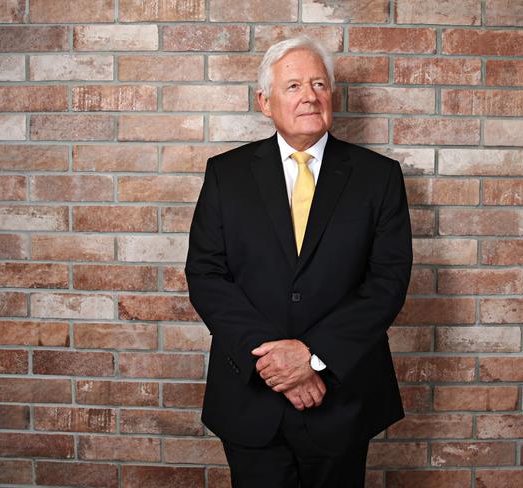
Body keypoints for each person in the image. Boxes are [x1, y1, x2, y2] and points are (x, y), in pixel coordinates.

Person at [185, 35, 412, 488]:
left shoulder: (378, 176)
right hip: (251, 396)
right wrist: (277, 364)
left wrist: (313, 357)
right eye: (293, 86)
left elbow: (386, 282)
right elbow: (206, 275)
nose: (310, 95)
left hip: (341, 398)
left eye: (319, 84)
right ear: (264, 102)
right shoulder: (226, 174)